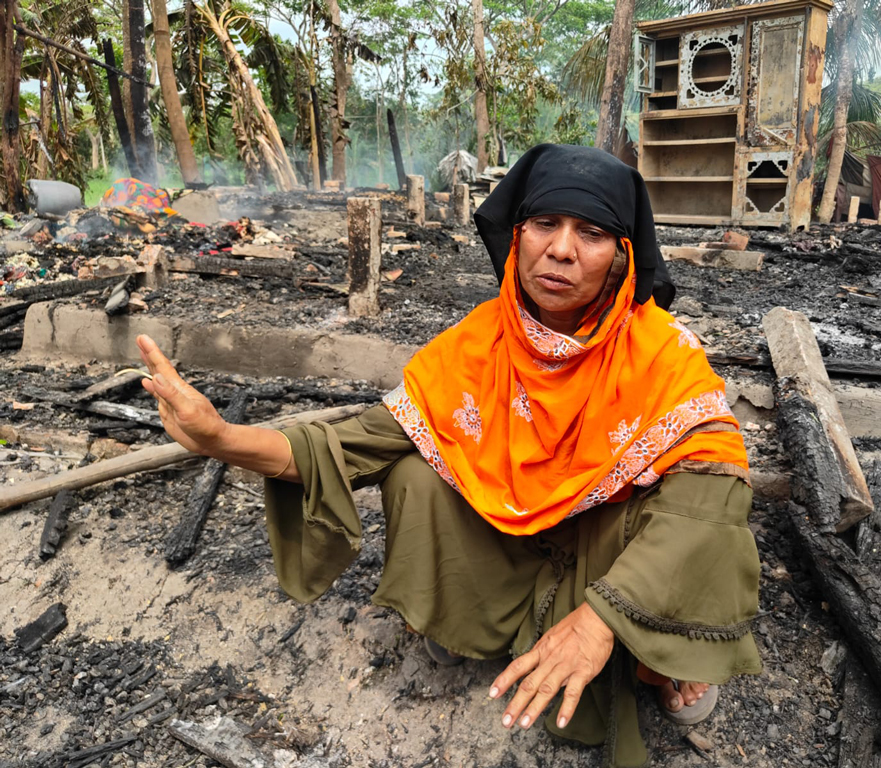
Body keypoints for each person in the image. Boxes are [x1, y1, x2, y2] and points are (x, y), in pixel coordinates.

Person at [135, 144, 761, 767]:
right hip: (505, 549)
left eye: (591, 234)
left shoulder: (661, 351)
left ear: (621, 257)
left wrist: (600, 619)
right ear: (517, 236)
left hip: (607, 564)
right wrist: (221, 439)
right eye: (545, 223)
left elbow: (718, 487)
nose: (562, 250)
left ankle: (653, 656)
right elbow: (352, 445)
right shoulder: (476, 343)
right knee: (415, 468)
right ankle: (463, 614)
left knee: (698, 511)